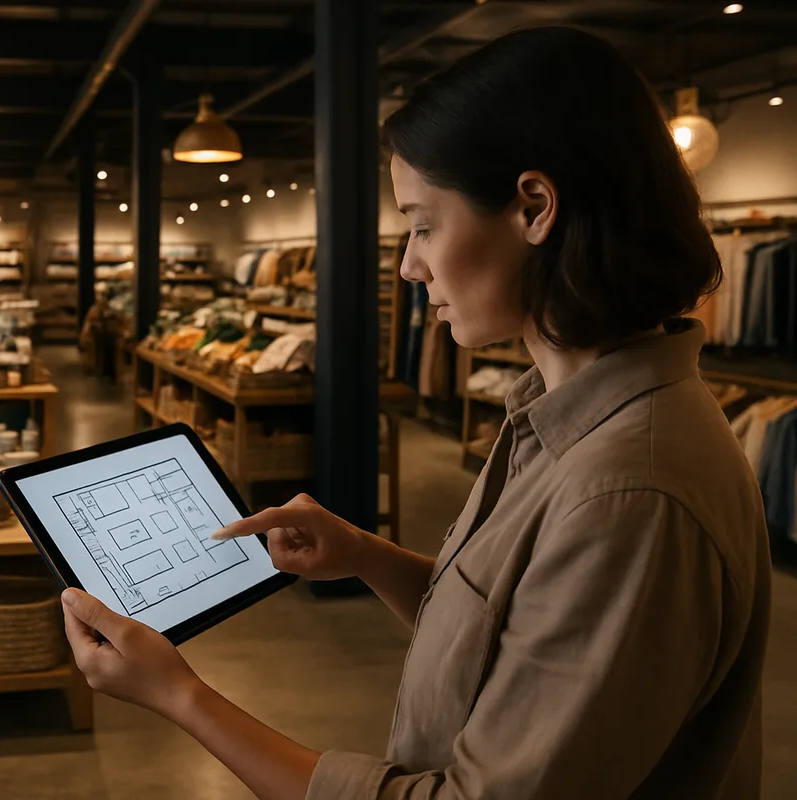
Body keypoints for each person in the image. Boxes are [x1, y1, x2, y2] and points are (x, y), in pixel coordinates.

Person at [60, 26, 771, 799]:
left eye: (424, 223)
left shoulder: (631, 488)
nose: (407, 263)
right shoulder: (565, 419)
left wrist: (179, 695)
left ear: (534, 207)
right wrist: (369, 555)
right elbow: (517, 631)